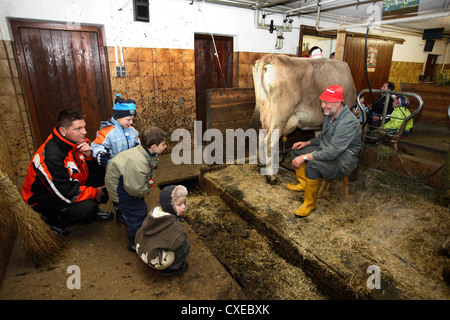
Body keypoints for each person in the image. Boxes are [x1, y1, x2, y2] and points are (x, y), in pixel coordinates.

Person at [22, 110, 113, 236]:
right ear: (63, 131)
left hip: (71, 185)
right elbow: (68, 194)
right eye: (78, 128)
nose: (85, 132)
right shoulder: (50, 157)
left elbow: (97, 170)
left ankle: (92, 209)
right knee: (87, 208)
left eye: (84, 127)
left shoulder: (79, 141)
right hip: (44, 198)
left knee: (106, 179)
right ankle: (53, 220)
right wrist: (94, 192)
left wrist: (89, 156)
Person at [286, 85, 361, 217]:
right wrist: (307, 143)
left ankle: (309, 204)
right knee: (296, 150)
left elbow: (333, 153)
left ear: (338, 103)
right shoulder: (330, 114)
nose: (323, 106)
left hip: (343, 159)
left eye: (327, 103)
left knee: (312, 165)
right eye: (322, 102)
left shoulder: (348, 122)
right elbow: (323, 137)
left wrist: (305, 157)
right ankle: (304, 184)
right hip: (328, 149)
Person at [105, 125, 167, 252]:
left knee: (129, 209)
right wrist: (144, 192)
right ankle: (134, 241)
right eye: (163, 144)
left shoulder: (145, 153)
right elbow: (135, 188)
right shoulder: (139, 164)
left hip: (121, 179)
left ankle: (122, 216)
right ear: (154, 147)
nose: (165, 147)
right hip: (121, 188)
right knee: (138, 213)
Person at [91, 94, 140, 225]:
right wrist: (99, 153)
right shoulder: (107, 131)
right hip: (114, 170)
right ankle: (120, 213)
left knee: (130, 189)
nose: (130, 122)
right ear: (118, 117)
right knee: (117, 192)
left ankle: (131, 208)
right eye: (128, 119)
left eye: (132, 119)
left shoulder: (133, 130)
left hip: (130, 168)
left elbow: (138, 142)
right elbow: (96, 145)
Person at [135, 184, 190, 276]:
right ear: (170, 206)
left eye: (184, 202)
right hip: (155, 261)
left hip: (142, 250)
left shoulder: (154, 214)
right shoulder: (177, 228)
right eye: (179, 204)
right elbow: (177, 243)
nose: (184, 206)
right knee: (185, 245)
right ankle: (173, 268)